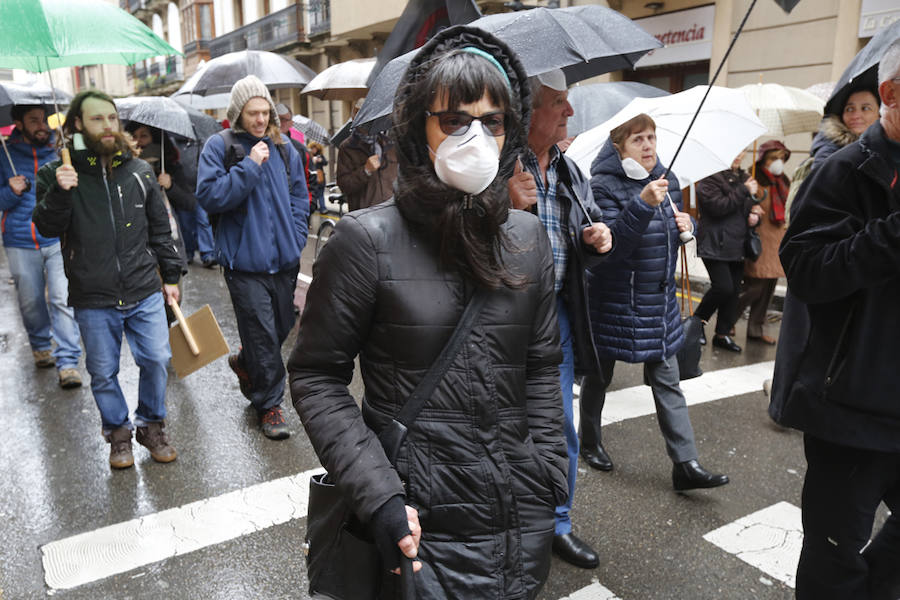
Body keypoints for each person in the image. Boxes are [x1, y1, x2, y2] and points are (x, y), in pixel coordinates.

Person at [289, 26, 568, 598]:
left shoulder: (528, 238)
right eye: (455, 120)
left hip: (517, 514)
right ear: (420, 130)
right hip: (416, 526)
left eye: (492, 122)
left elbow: (541, 364)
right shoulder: (365, 241)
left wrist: (548, 466)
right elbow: (317, 377)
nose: (477, 137)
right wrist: (382, 496)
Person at [770, 39, 900, 600]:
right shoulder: (844, 170)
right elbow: (808, 272)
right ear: (891, 94)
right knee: (831, 557)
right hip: (851, 406)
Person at [579, 113, 730, 492]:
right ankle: (590, 441)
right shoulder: (602, 186)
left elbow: (671, 229)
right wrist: (643, 204)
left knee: (668, 380)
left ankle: (686, 463)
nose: (648, 146)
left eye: (651, 138)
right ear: (619, 146)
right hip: (613, 300)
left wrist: (687, 229)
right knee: (600, 377)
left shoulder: (667, 180)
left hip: (657, 302)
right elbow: (611, 250)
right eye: (638, 139)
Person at [33, 90, 180, 469]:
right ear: (78, 124)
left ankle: (151, 424)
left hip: (143, 287)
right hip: (92, 294)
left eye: (112, 118)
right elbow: (46, 228)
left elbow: (160, 230)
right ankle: (118, 433)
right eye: (97, 119)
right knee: (102, 372)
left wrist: (172, 275)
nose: (108, 126)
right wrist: (61, 192)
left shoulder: (139, 171)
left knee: (158, 358)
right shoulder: (55, 173)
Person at [507, 68, 612, 569]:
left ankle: (557, 522)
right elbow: (458, 238)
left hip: (557, 320)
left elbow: (587, 224)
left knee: (558, 426)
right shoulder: (497, 165)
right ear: (529, 111)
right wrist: (500, 206)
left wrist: (597, 242)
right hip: (502, 320)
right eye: (559, 103)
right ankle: (504, 524)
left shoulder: (571, 172)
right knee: (499, 425)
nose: (569, 112)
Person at [195, 75, 309, 440]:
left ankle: (246, 363)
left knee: (280, 327)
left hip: (285, 261)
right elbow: (210, 196)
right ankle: (270, 405)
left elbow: (299, 197)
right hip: (244, 265)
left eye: (265, 112)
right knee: (261, 333)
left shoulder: (286, 148)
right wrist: (249, 167)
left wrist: (296, 235)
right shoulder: (220, 146)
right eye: (252, 113)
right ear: (237, 114)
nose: (260, 120)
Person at [0, 104, 82, 388]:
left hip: (56, 238)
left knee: (62, 298)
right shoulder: (4, 154)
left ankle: (69, 361)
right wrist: (10, 190)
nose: (42, 126)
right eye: (33, 121)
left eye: (43, 119)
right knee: (32, 301)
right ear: (19, 124)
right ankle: (40, 345)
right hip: (20, 240)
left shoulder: (59, 150)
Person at [693, 150, 765, 353]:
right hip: (715, 243)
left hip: (738, 243)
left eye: (742, 151)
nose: (737, 155)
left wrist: (754, 215)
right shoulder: (710, 177)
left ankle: (722, 334)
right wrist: (744, 190)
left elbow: (747, 209)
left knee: (733, 292)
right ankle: (697, 322)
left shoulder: (744, 177)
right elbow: (718, 207)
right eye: (734, 151)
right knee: (722, 287)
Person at [736, 140, 790, 345]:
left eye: (781, 158)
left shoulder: (783, 180)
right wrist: (751, 207)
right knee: (753, 288)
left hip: (777, 241)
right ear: (764, 159)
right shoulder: (753, 179)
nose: (778, 162)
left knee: (768, 288)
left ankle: (756, 330)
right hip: (759, 241)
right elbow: (744, 206)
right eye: (774, 158)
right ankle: (728, 320)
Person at [336, 126, 398, 211]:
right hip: (365, 215)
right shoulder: (347, 147)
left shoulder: (389, 144)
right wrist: (366, 170)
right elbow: (344, 185)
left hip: (392, 211)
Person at [307, 141, 328, 212]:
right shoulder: (309, 156)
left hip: (320, 178)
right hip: (312, 178)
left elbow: (325, 163)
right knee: (314, 194)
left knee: (321, 194)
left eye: (315, 148)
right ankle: (314, 207)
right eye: (312, 148)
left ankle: (323, 208)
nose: (314, 150)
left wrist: (320, 160)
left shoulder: (320, 156)